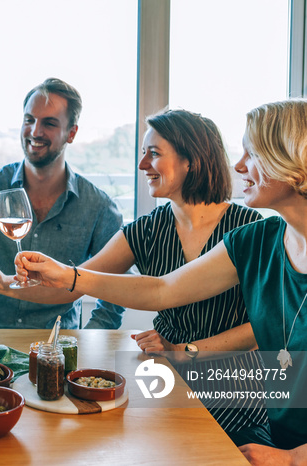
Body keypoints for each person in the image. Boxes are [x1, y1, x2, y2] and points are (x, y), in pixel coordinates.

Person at [16, 99, 307, 465]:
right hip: (276, 434)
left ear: (292, 160)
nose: (238, 165)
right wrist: (70, 276)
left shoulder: (245, 226)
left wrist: (295, 458)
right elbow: (162, 289)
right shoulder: (257, 239)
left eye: (253, 153)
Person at [0, 109, 267, 439]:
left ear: (192, 160)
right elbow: (70, 285)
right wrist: (2, 284)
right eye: (143, 154)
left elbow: (265, 325)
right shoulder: (145, 231)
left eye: (153, 154)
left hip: (234, 394)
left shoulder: (250, 230)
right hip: (169, 384)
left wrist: (188, 350)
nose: (142, 165)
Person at [0, 77, 125, 329]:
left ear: (71, 133)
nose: (35, 131)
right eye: (29, 120)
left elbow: (115, 289)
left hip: (54, 346)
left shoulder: (99, 207)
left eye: (49, 123)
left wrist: (87, 344)